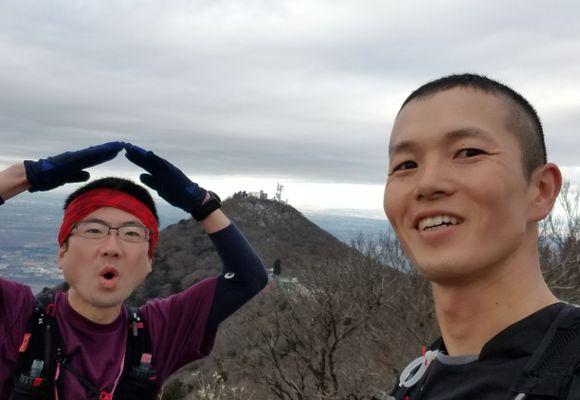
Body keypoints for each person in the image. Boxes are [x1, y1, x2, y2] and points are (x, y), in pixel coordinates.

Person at [0, 142, 268, 399]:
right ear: (62, 254)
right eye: (94, 230)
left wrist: (203, 204)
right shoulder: (15, 314)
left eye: (131, 234)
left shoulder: (158, 331)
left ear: (149, 261)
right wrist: (25, 175)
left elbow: (248, 279)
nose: (111, 248)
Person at [381, 74, 580, 399]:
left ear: (541, 189)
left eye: (468, 152)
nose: (428, 184)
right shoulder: (414, 383)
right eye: (406, 164)